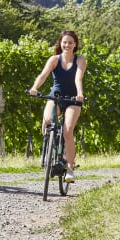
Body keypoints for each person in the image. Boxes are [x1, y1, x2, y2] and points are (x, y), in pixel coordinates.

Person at [28, 30, 85, 183]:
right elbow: (43, 75)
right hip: (56, 96)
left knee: (67, 130)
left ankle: (70, 168)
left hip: (73, 99)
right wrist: (35, 88)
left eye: (70, 42)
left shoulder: (80, 60)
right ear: (60, 43)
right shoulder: (54, 59)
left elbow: (78, 78)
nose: (67, 45)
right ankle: (51, 149)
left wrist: (80, 94)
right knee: (47, 120)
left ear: (75, 45)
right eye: (65, 42)